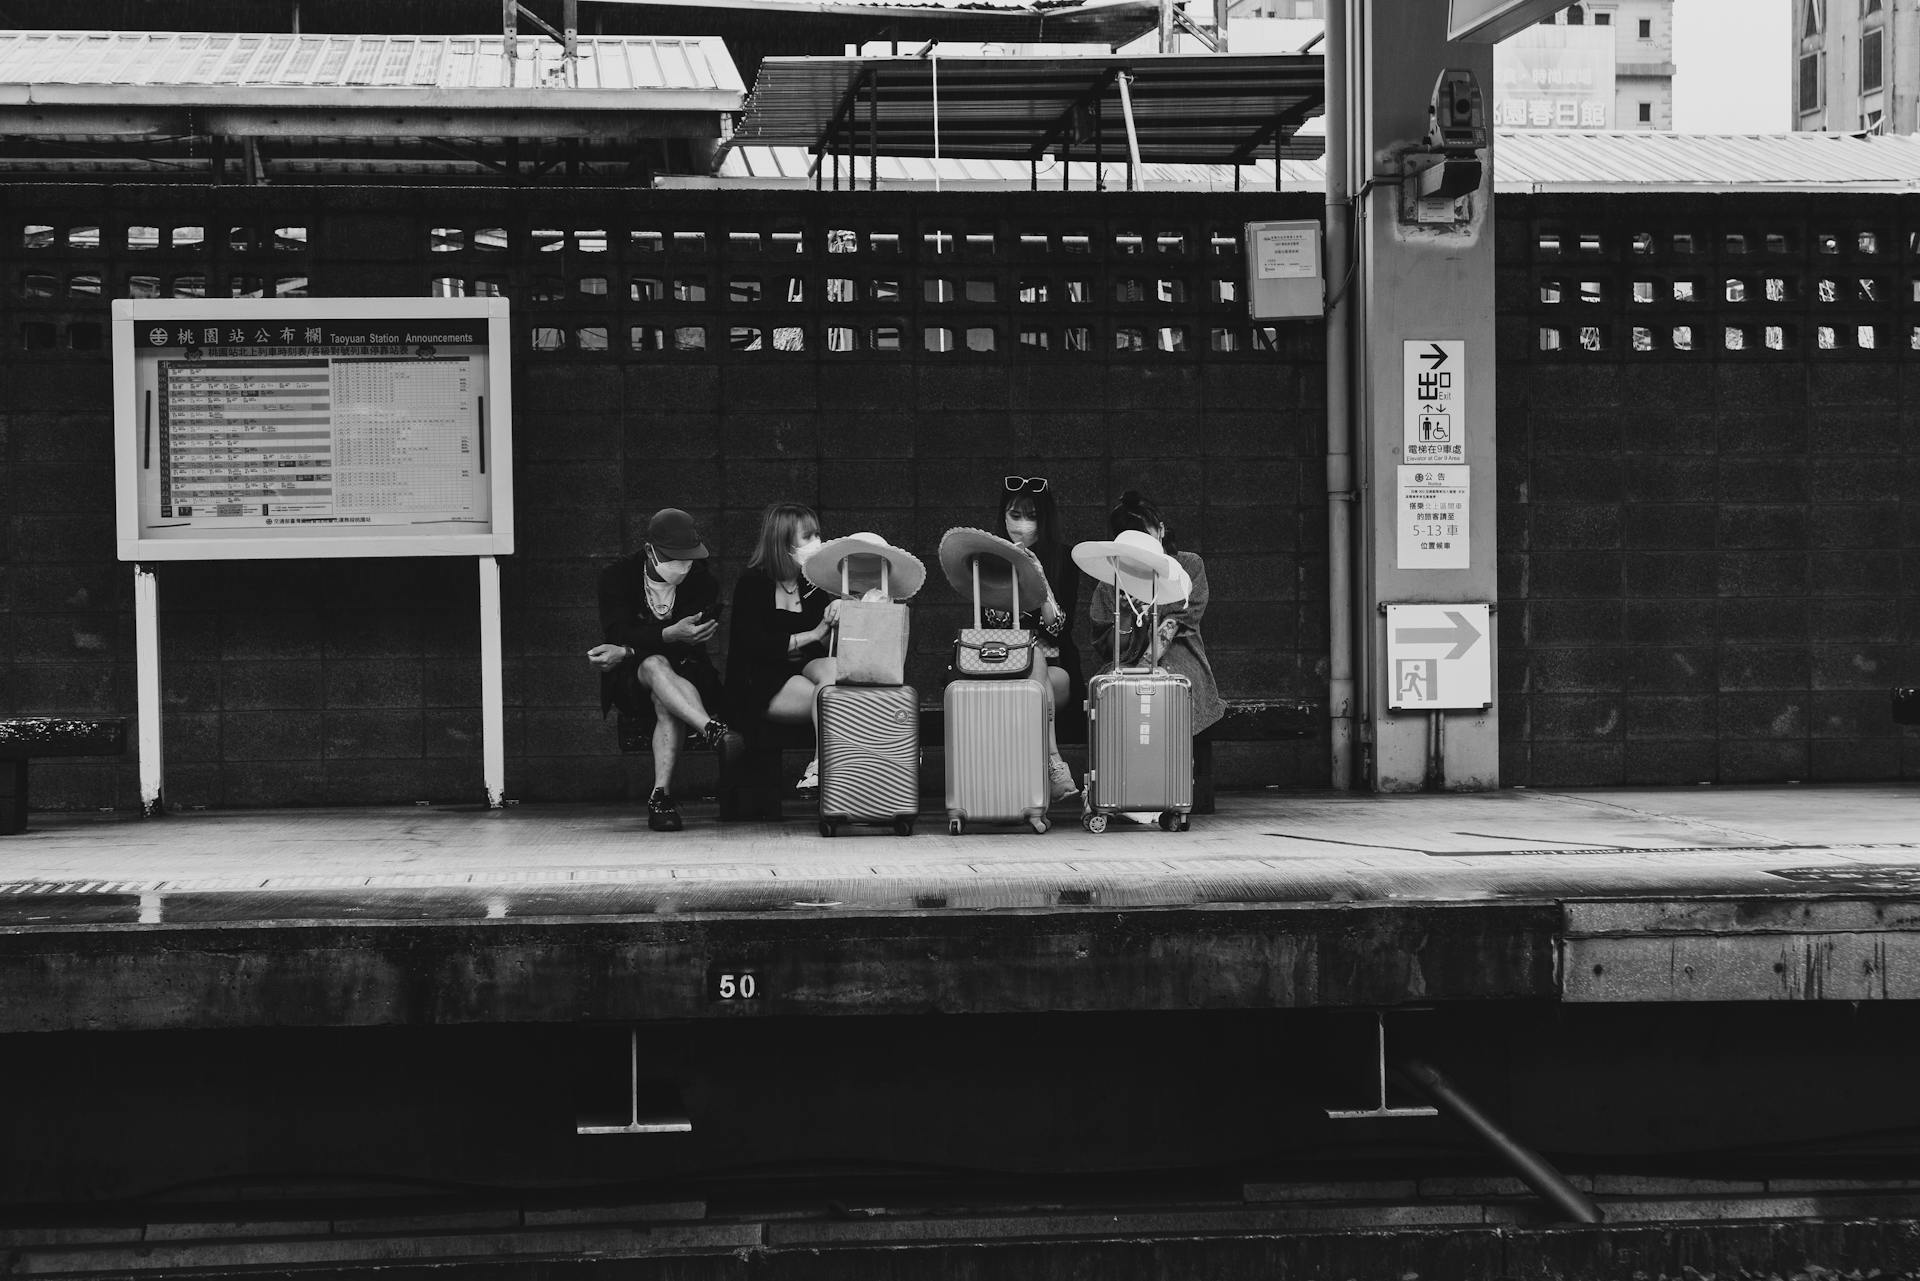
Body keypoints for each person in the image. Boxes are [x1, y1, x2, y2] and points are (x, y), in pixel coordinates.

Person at [589, 508, 742, 832]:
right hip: (631, 680)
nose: (683, 567)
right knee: (654, 663)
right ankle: (714, 730)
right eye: (674, 559)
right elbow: (617, 631)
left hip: (687, 673)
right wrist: (663, 636)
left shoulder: (703, 581)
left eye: (688, 559)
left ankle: (661, 798)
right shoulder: (617, 577)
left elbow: (685, 644)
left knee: (664, 693)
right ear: (649, 551)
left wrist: (631, 648)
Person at [724, 502, 840, 793]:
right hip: (759, 681)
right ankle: (837, 770)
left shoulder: (811, 584)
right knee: (836, 700)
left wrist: (839, 613)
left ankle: (819, 766)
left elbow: (824, 645)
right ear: (783, 541)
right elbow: (751, 645)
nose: (817, 543)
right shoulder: (753, 583)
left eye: (818, 535)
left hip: (801, 670)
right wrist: (812, 634)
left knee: (835, 672)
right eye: (808, 537)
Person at [1089, 490, 1225, 736]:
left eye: (1145, 533)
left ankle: (1177, 767)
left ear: (1160, 531)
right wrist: (1125, 615)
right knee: (1109, 694)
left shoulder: (1188, 566)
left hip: (1180, 658)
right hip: (1125, 663)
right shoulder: (1111, 579)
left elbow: (1175, 622)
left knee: (1171, 689)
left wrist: (1144, 671)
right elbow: (1110, 651)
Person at [987, 475, 1086, 801]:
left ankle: (1028, 780)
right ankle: (1052, 762)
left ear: (1045, 520)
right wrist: (1009, 573)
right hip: (1001, 667)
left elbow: (1058, 628)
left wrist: (1040, 579)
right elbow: (993, 626)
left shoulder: (1063, 559)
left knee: (1039, 663)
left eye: (1031, 516)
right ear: (1003, 516)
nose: (1022, 524)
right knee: (1031, 668)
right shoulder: (988, 559)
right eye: (1015, 515)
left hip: (1054, 669)